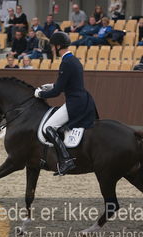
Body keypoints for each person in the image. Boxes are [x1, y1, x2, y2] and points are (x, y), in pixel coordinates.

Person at [34, 31, 98, 176]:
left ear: (57, 46)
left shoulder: (66, 63)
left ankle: (66, 159)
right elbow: (64, 84)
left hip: (74, 103)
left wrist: (40, 94)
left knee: (49, 127)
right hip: (83, 99)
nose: (51, 49)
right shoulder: (74, 60)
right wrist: (51, 85)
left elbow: (57, 92)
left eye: (52, 47)